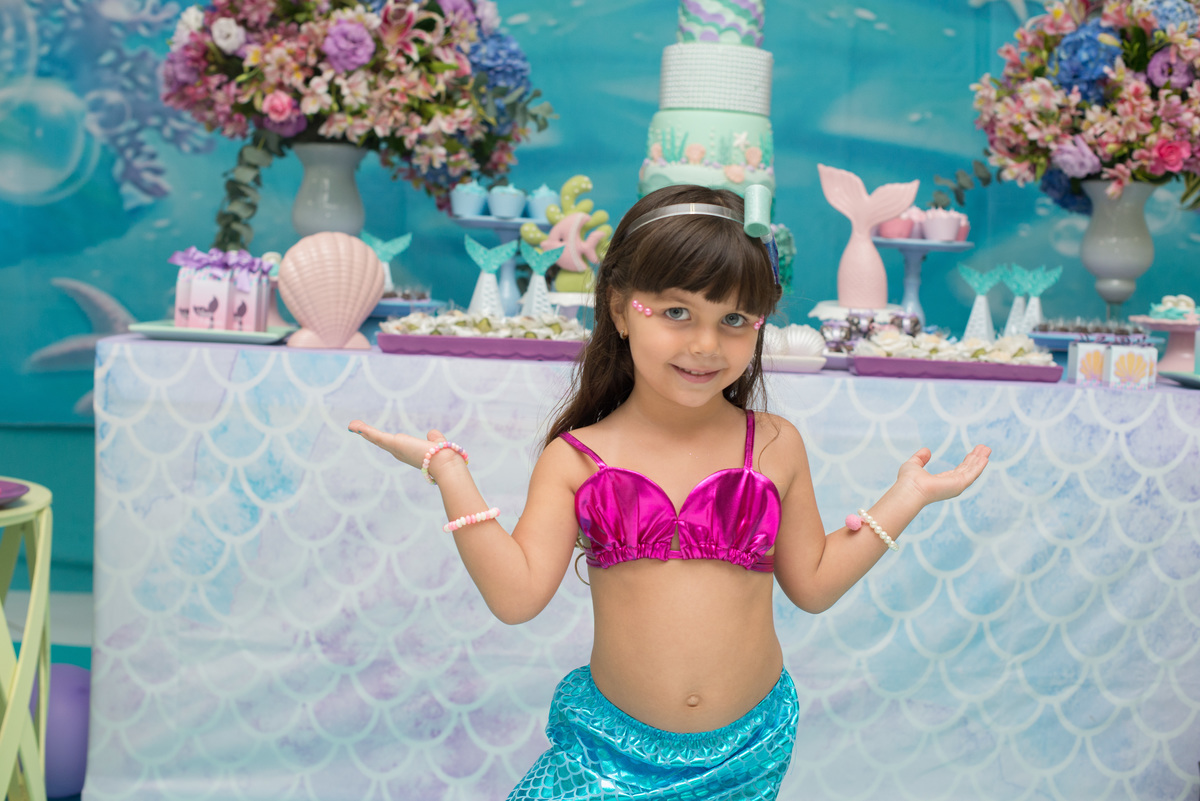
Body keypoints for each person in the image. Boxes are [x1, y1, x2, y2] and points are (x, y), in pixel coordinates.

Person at [348, 184, 991, 799]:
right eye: (677, 312)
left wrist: (907, 496)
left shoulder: (774, 443)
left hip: (747, 750)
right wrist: (449, 472)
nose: (705, 345)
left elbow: (814, 586)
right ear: (620, 309)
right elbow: (516, 599)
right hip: (609, 749)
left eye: (733, 319)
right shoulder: (576, 457)